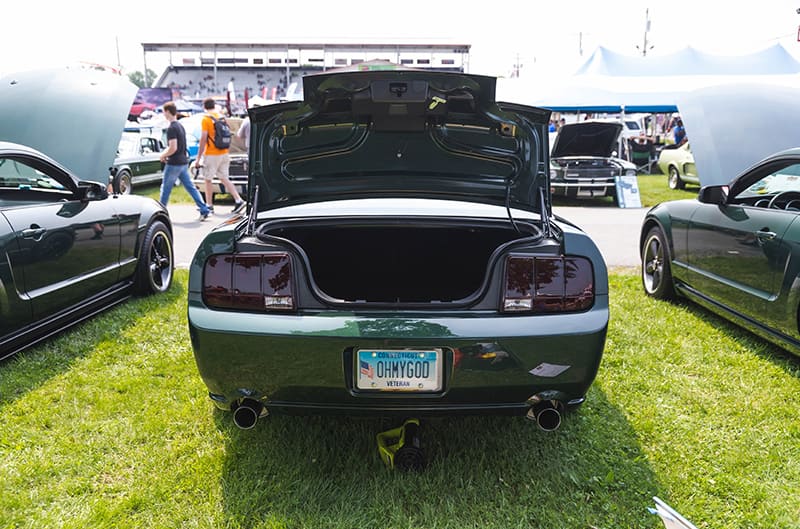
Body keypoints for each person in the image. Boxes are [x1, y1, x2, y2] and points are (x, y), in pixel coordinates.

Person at [159, 101, 211, 221]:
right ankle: (204, 209)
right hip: (182, 161)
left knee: (165, 188)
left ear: (167, 112)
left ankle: (160, 212)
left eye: (164, 112)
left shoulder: (171, 128)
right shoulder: (180, 126)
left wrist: (163, 155)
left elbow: (173, 147)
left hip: (174, 162)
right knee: (190, 187)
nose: (163, 115)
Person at [196, 97, 246, 214]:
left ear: (204, 107)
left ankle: (209, 205)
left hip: (212, 153)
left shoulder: (206, 119)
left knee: (207, 179)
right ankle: (238, 200)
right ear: (214, 105)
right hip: (224, 152)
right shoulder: (222, 117)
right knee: (224, 178)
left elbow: (204, 138)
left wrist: (198, 158)